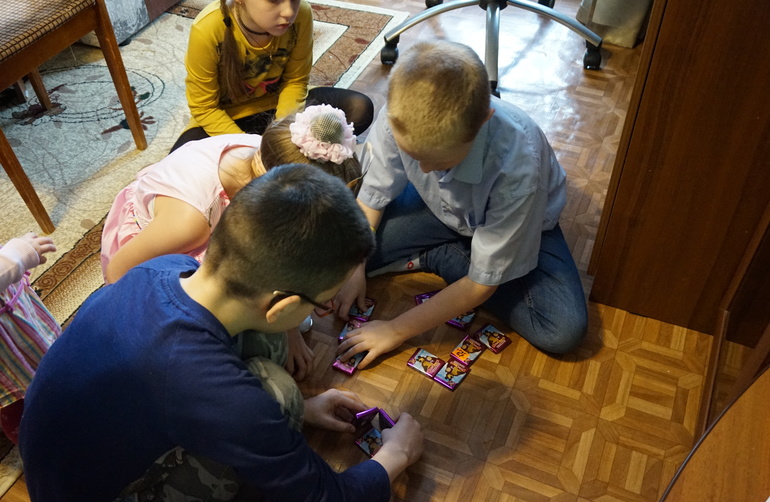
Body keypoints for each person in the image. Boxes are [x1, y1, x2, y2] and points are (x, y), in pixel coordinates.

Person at [20, 164, 424, 502]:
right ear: (281, 307)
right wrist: (395, 456)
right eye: (323, 302)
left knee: (269, 353)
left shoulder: (167, 266)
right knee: (279, 392)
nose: (325, 309)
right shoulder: (221, 395)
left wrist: (305, 409)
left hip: (66, 459)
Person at [335, 41, 589, 370]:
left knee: (562, 330)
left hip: (526, 223)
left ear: (483, 121)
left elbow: (481, 286)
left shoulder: (518, 167)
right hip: (433, 208)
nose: (424, 169)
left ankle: (441, 256)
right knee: (337, 257)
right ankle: (449, 255)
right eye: (414, 156)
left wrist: (395, 330)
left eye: (440, 162)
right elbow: (372, 195)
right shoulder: (398, 112)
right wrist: (355, 265)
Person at [102, 104, 361, 378]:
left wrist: (291, 327)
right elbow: (117, 274)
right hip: (152, 266)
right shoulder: (190, 223)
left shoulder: (272, 153)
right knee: (258, 343)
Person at [170, 0, 374, 153]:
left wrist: (285, 133)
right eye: (274, 0)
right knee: (180, 162)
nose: (289, 12)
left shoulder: (302, 14)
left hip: (281, 108)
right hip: (228, 118)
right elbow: (204, 107)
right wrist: (252, 146)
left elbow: (295, 81)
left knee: (358, 108)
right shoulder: (207, 29)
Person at [0, 233, 60, 444]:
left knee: (50, 360)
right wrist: (15, 256)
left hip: (12, 311)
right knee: (19, 405)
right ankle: (39, 443)